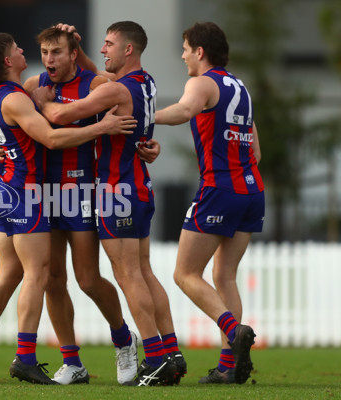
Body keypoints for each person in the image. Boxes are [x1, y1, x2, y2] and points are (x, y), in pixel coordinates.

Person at [0, 32, 137, 385]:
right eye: (40, 51)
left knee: (84, 279)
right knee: (47, 277)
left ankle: (123, 341)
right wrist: (102, 126)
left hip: (74, 190)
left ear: (73, 54)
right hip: (32, 192)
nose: (46, 58)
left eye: (56, 51)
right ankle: (60, 360)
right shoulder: (28, 86)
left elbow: (127, 98)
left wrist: (143, 142)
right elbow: (44, 135)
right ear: (10, 60)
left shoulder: (92, 82)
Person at [33, 21, 185, 386]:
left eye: (109, 44)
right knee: (143, 272)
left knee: (127, 275)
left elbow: (58, 117)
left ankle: (156, 357)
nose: (103, 51)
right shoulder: (145, 83)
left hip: (115, 189)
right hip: (137, 185)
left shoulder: (113, 89)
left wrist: (43, 102)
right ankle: (171, 353)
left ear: (127, 50)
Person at [154, 21, 262, 385]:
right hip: (252, 189)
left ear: (200, 51)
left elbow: (184, 111)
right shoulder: (240, 87)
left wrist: (143, 118)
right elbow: (256, 151)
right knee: (224, 275)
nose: (183, 55)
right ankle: (229, 367)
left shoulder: (202, 82)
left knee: (184, 274)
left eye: (186, 48)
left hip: (221, 188)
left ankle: (235, 332)